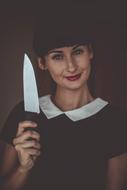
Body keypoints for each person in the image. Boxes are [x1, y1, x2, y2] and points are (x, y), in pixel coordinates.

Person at [0, 4, 127, 190]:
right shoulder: (23, 115)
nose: (71, 66)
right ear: (43, 63)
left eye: (77, 52)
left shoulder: (118, 121)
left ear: (90, 52)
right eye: (57, 56)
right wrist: (24, 168)